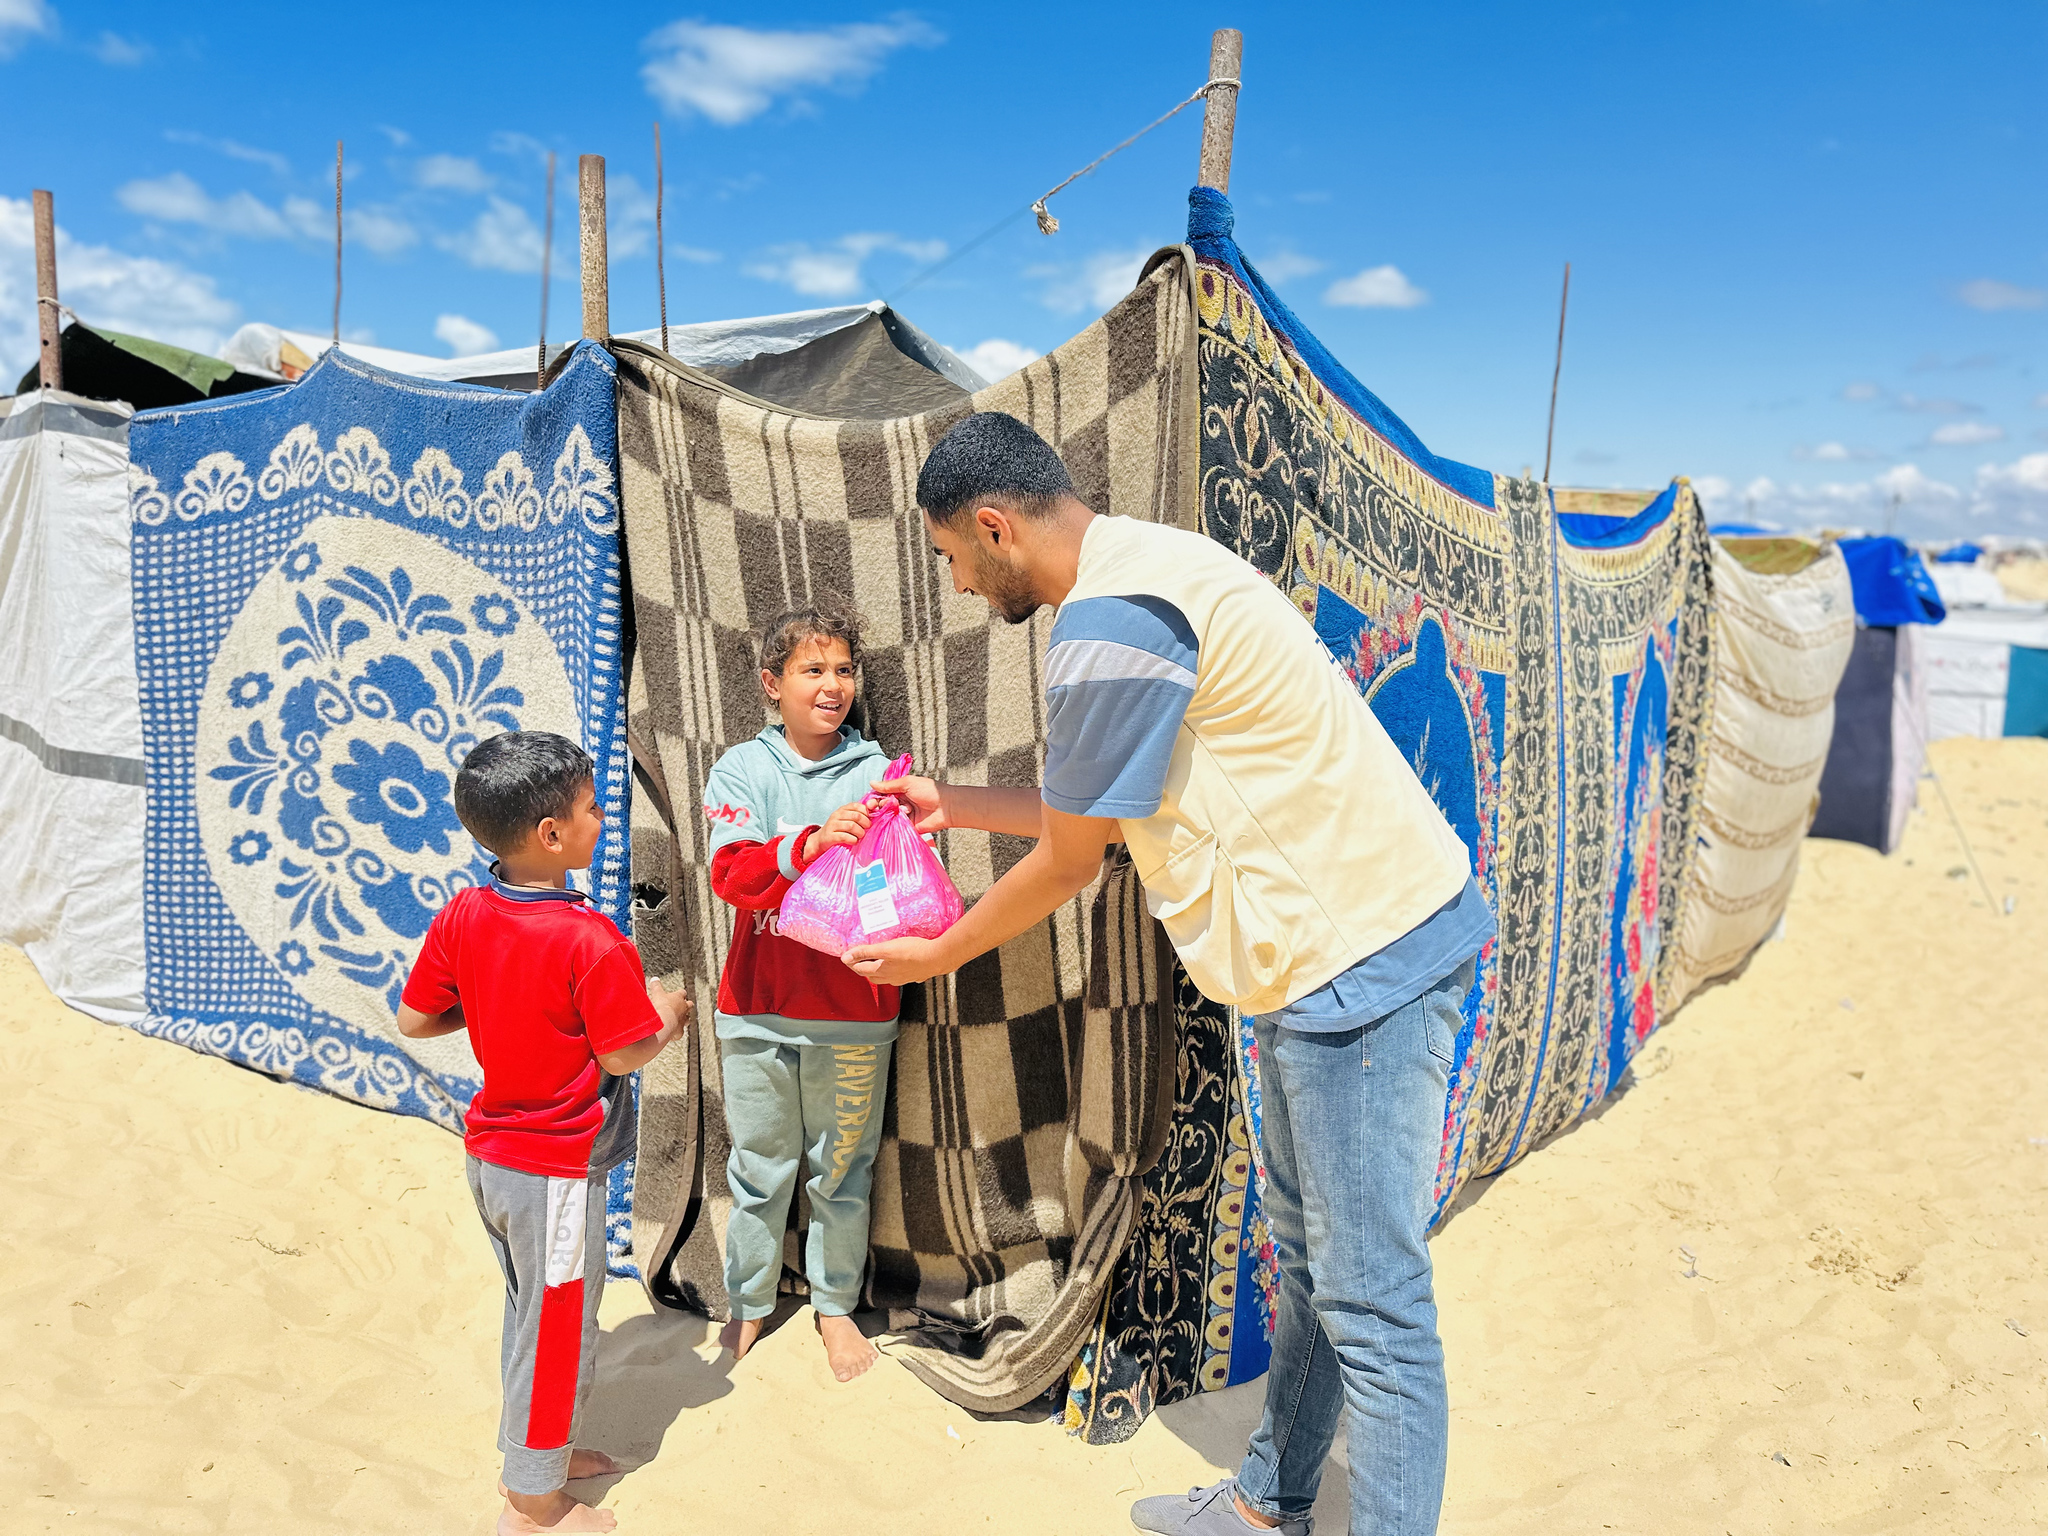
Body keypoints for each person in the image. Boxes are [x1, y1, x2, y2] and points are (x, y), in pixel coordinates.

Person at [845, 414, 1496, 1536]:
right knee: (1312, 1270)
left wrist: (938, 951)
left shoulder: (1108, 619)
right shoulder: (1148, 565)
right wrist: (952, 803)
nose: (955, 584)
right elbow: (1090, 812)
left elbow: (1065, 862)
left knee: (1372, 1308)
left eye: (953, 555)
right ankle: (1265, 1506)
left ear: (995, 526)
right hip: (1330, 959)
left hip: (1359, 963)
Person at [398, 730, 690, 1536]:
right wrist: (666, 1014)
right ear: (551, 835)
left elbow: (416, 1017)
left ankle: (544, 1452)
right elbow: (624, 1049)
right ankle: (533, 1501)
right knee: (559, 1326)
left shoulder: (466, 910)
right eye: (594, 808)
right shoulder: (590, 940)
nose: (604, 819)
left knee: (531, 1314)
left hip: (492, 1160)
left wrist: (499, 1012)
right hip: (557, 1170)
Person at [700, 599, 899, 1382]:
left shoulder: (883, 774)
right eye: (812, 669)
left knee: (842, 1174)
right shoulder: (741, 771)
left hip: (856, 1016)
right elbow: (731, 875)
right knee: (758, 1169)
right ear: (770, 684)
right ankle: (748, 1302)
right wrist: (812, 843)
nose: (832, 684)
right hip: (755, 1012)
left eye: (844, 669)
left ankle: (834, 1306)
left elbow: (894, 888)